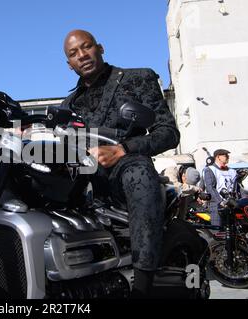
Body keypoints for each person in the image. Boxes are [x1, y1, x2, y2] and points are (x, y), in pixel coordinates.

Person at [61, 30, 180, 298]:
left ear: (99, 48)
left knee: (138, 171)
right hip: (84, 179)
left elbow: (168, 132)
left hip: (125, 172)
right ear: (69, 64)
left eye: (87, 47)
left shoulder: (138, 78)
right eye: (73, 53)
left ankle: (142, 286)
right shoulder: (68, 104)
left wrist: (123, 149)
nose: (82, 55)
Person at [202, 149, 237, 226]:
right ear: (218, 157)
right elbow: (210, 188)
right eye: (225, 155)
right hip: (217, 206)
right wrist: (220, 201)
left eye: (227, 155)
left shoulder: (232, 171)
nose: (227, 157)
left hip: (232, 205)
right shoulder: (210, 169)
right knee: (218, 232)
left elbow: (236, 188)